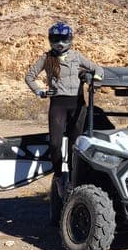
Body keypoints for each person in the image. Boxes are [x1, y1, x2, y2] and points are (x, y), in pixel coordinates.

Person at [25, 22, 104, 176]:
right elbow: (29, 77)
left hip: (78, 104)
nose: (60, 44)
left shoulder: (76, 56)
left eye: (64, 39)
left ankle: (73, 176)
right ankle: (59, 175)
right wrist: (39, 92)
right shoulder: (46, 58)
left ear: (70, 39)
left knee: (75, 144)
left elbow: (98, 68)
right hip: (58, 104)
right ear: (50, 40)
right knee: (55, 143)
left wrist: (95, 79)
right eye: (56, 39)